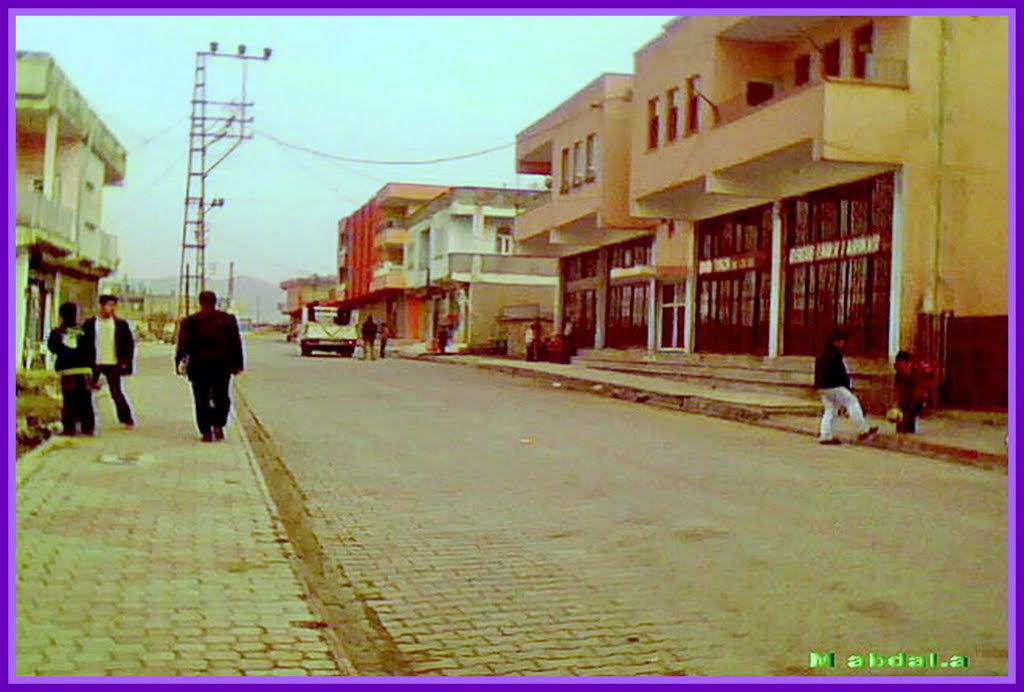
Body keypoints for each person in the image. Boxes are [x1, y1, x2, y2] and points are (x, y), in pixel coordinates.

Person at [175, 291, 244, 443]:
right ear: (215, 301)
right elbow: (236, 343)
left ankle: (206, 431)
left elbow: (183, 344)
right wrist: (238, 364)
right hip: (222, 365)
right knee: (222, 396)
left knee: (201, 398)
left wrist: (178, 362)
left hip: (199, 365)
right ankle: (219, 424)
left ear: (200, 302)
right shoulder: (228, 319)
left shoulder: (190, 321)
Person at [814, 330, 878, 445]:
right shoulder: (835, 354)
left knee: (830, 410)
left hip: (822, 387)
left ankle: (825, 435)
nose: (842, 343)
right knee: (852, 402)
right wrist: (846, 386)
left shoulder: (822, 354)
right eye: (841, 341)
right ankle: (863, 429)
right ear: (836, 342)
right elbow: (840, 372)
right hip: (834, 385)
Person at [83, 294, 135, 427]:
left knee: (116, 392)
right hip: (94, 363)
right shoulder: (90, 324)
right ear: (100, 306)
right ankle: (86, 422)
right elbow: (83, 343)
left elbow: (128, 345)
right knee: (86, 392)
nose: (109, 308)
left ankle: (126, 418)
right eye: (107, 305)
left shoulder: (120, 325)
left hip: (113, 363)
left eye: (112, 305)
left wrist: (125, 362)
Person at [47, 302, 95, 436]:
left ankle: (70, 428)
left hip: (67, 370)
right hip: (84, 370)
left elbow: (52, 348)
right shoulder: (84, 331)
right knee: (85, 400)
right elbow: (91, 349)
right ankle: (88, 427)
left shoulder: (57, 332)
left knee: (69, 400)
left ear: (61, 315)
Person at [892, 350, 927, 434]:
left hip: (915, 400)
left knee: (908, 417)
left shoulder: (916, 374)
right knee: (901, 425)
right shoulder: (898, 374)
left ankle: (908, 422)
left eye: (903, 364)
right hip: (905, 399)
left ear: (908, 363)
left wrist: (909, 411)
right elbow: (897, 390)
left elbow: (918, 393)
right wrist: (896, 404)